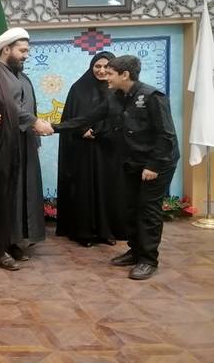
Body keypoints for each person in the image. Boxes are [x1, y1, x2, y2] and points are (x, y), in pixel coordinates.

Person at [53, 55, 179, 280]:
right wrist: (54, 128)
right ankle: (135, 251)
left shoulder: (152, 97)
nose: (105, 76)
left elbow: (166, 135)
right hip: (132, 161)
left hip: (157, 163)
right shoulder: (115, 97)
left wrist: (153, 166)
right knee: (130, 207)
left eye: (110, 73)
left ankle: (148, 260)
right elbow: (88, 118)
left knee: (148, 211)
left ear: (125, 75)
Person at [0, 27, 49, 271]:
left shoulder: (22, 76)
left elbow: (28, 106)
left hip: (23, 146)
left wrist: (34, 130)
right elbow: (3, 106)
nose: (26, 55)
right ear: (6, 49)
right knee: (0, 197)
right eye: (22, 50)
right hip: (0, 148)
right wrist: (33, 122)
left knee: (21, 194)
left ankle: (14, 240)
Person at [56, 51, 128, 247]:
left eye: (106, 67)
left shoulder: (118, 90)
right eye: (97, 66)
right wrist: (82, 131)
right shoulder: (78, 89)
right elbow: (70, 118)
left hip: (108, 150)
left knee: (107, 189)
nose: (101, 70)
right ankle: (83, 232)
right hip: (83, 150)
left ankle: (107, 231)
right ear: (91, 67)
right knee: (84, 189)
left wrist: (102, 131)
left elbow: (122, 119)